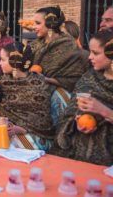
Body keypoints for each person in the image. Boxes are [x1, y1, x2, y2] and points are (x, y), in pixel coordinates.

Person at [51, 30, 113, 165]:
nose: (90, 57)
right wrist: (76, 121)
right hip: (76, 143)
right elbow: (70, 112)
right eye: (90, 52)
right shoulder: (89, 77)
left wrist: (104, 111)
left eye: (96, 53)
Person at [0, 42, 55, 151]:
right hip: (6, 129)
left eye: (3, 60)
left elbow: (41, 120)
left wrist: (21, 129)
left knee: (12, 147)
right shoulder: (3, 82)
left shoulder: (38, 83)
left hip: (32, 133)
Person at [31, 6, 89, 123]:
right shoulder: (35, 45)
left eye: (38, 23)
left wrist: (46, 79)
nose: (33, 27)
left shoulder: (68, 46)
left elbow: (74, 78)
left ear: (50, 24)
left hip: (59, 92)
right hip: (36, 87)